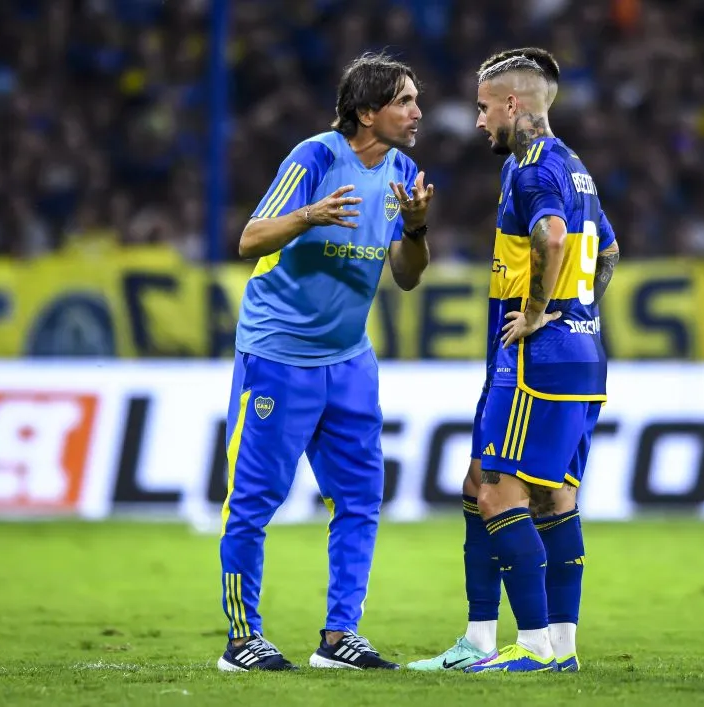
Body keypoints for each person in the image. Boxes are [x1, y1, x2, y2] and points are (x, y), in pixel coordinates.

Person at [216, 52, 433, 672]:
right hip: (279, 356)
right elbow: (250, 238)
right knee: (254, 501)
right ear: (366, 112)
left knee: (361, 498)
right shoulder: (313, 158)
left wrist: (416, 229)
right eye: (403, 101)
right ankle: (241, 640)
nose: (417, 112)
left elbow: (408, 278)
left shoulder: (402, 171)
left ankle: (340, 637)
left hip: (349, 358)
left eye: (415, 100)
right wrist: (308, 214)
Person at [408, 48, 619, 674]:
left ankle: (532, 648)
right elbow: (607, 253)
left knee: (501, 497)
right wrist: (577, 311)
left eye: (482, 108)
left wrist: (536, 312)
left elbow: (552, 237)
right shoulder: (575, 166)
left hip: (534, 362)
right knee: (508, 490)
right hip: (579, 354)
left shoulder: (531, 169)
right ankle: (534, 645)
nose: (477, 122)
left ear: (512, 104)